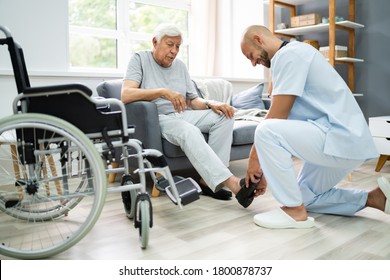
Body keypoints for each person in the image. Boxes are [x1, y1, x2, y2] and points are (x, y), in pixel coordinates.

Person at [240, 25, 390, 229]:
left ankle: (293, 211)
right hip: (341, 142)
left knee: (265, 130)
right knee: (304, 196)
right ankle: (374, 199)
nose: (253, 63)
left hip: (338, 136)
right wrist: (266, 169)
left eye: (251, 55)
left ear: (258, 39)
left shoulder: (290, 54)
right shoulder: (291, 56)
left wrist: (254, 160)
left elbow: (277, 116)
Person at [121, 23, 264, 205]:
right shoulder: (139, 59)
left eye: (178, 46)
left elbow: (193, 101)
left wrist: (212, 103)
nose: (174, 51)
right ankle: (233, 184)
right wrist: (163, 92)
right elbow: (126, 94)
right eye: (170, 44)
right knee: (190, 131)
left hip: (182, 114)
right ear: (155, 42)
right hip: (158, 118)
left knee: (225, 115)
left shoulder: (180, 66)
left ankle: (208, 182)